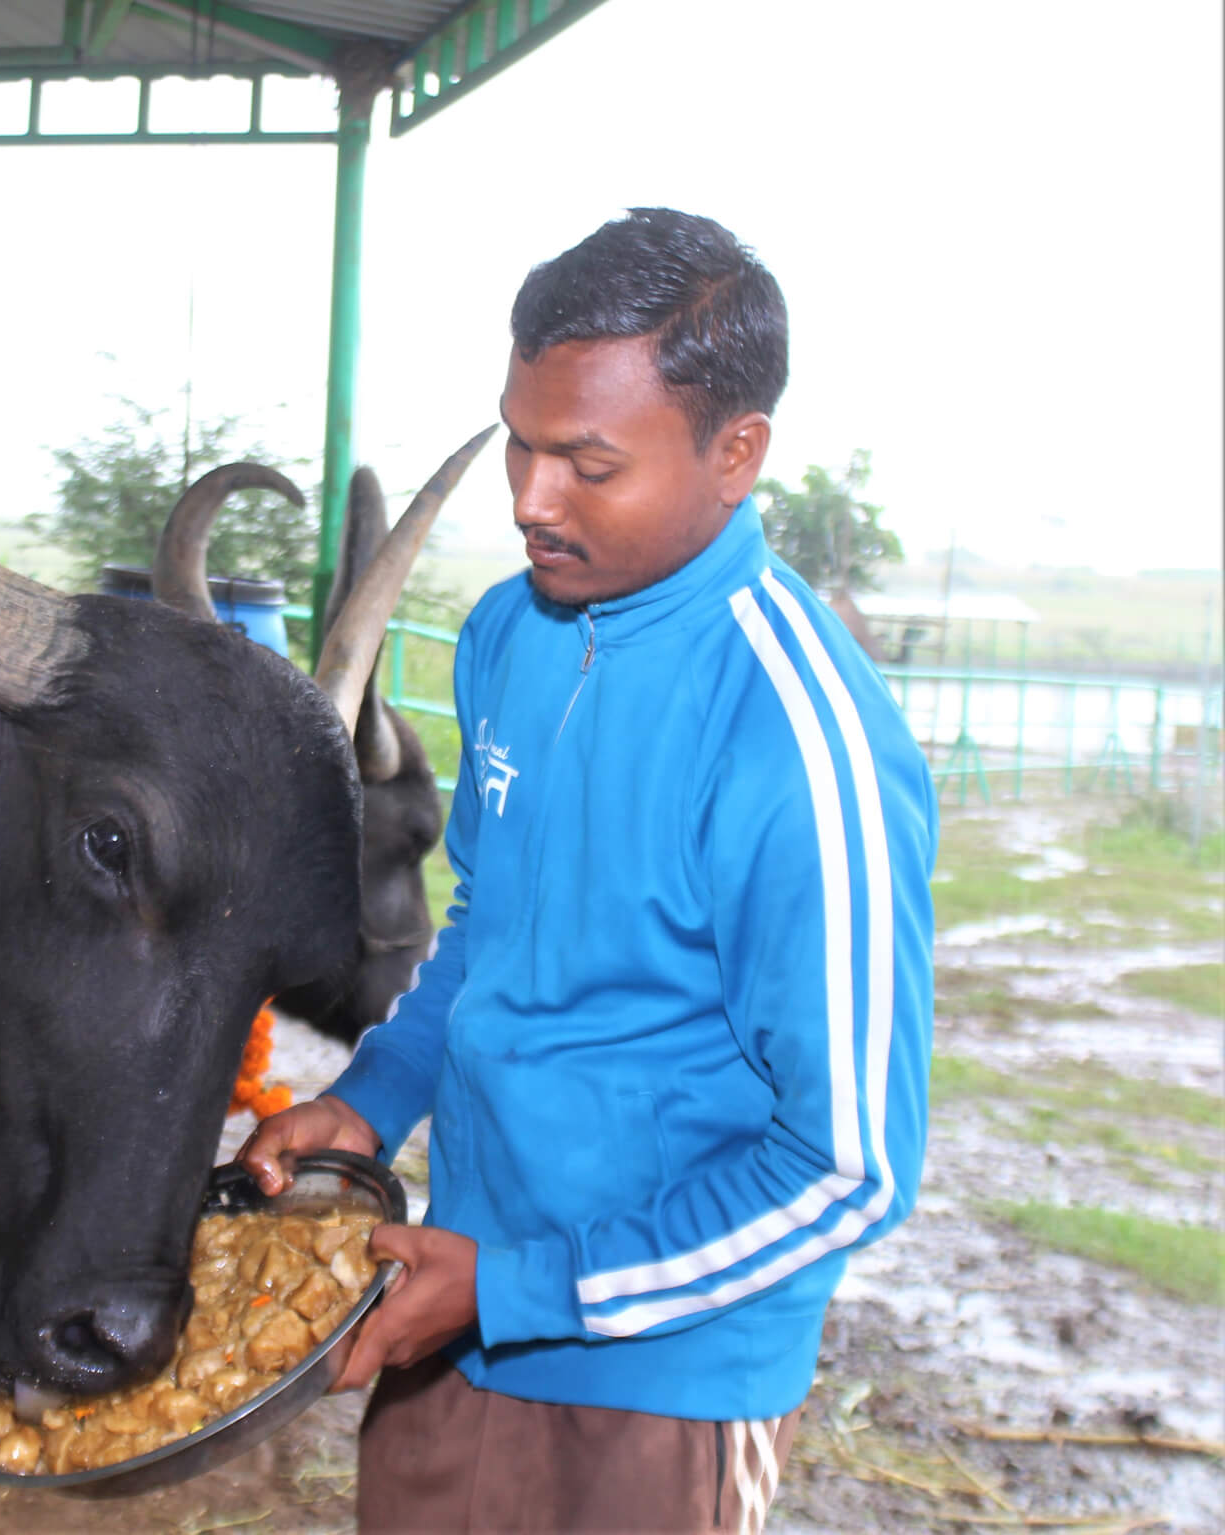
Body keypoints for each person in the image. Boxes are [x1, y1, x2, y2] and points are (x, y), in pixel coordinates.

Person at [242, 207, 936, 1534]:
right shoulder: (510, 634)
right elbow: (488, 928)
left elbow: (849, 1169)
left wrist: (522, 1291)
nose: (529, 498)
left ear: (736, 454)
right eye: (518, 437)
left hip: (660, 1383)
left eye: (588, 464)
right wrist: (376, 1098)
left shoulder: (800, 741)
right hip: (450, 1306)